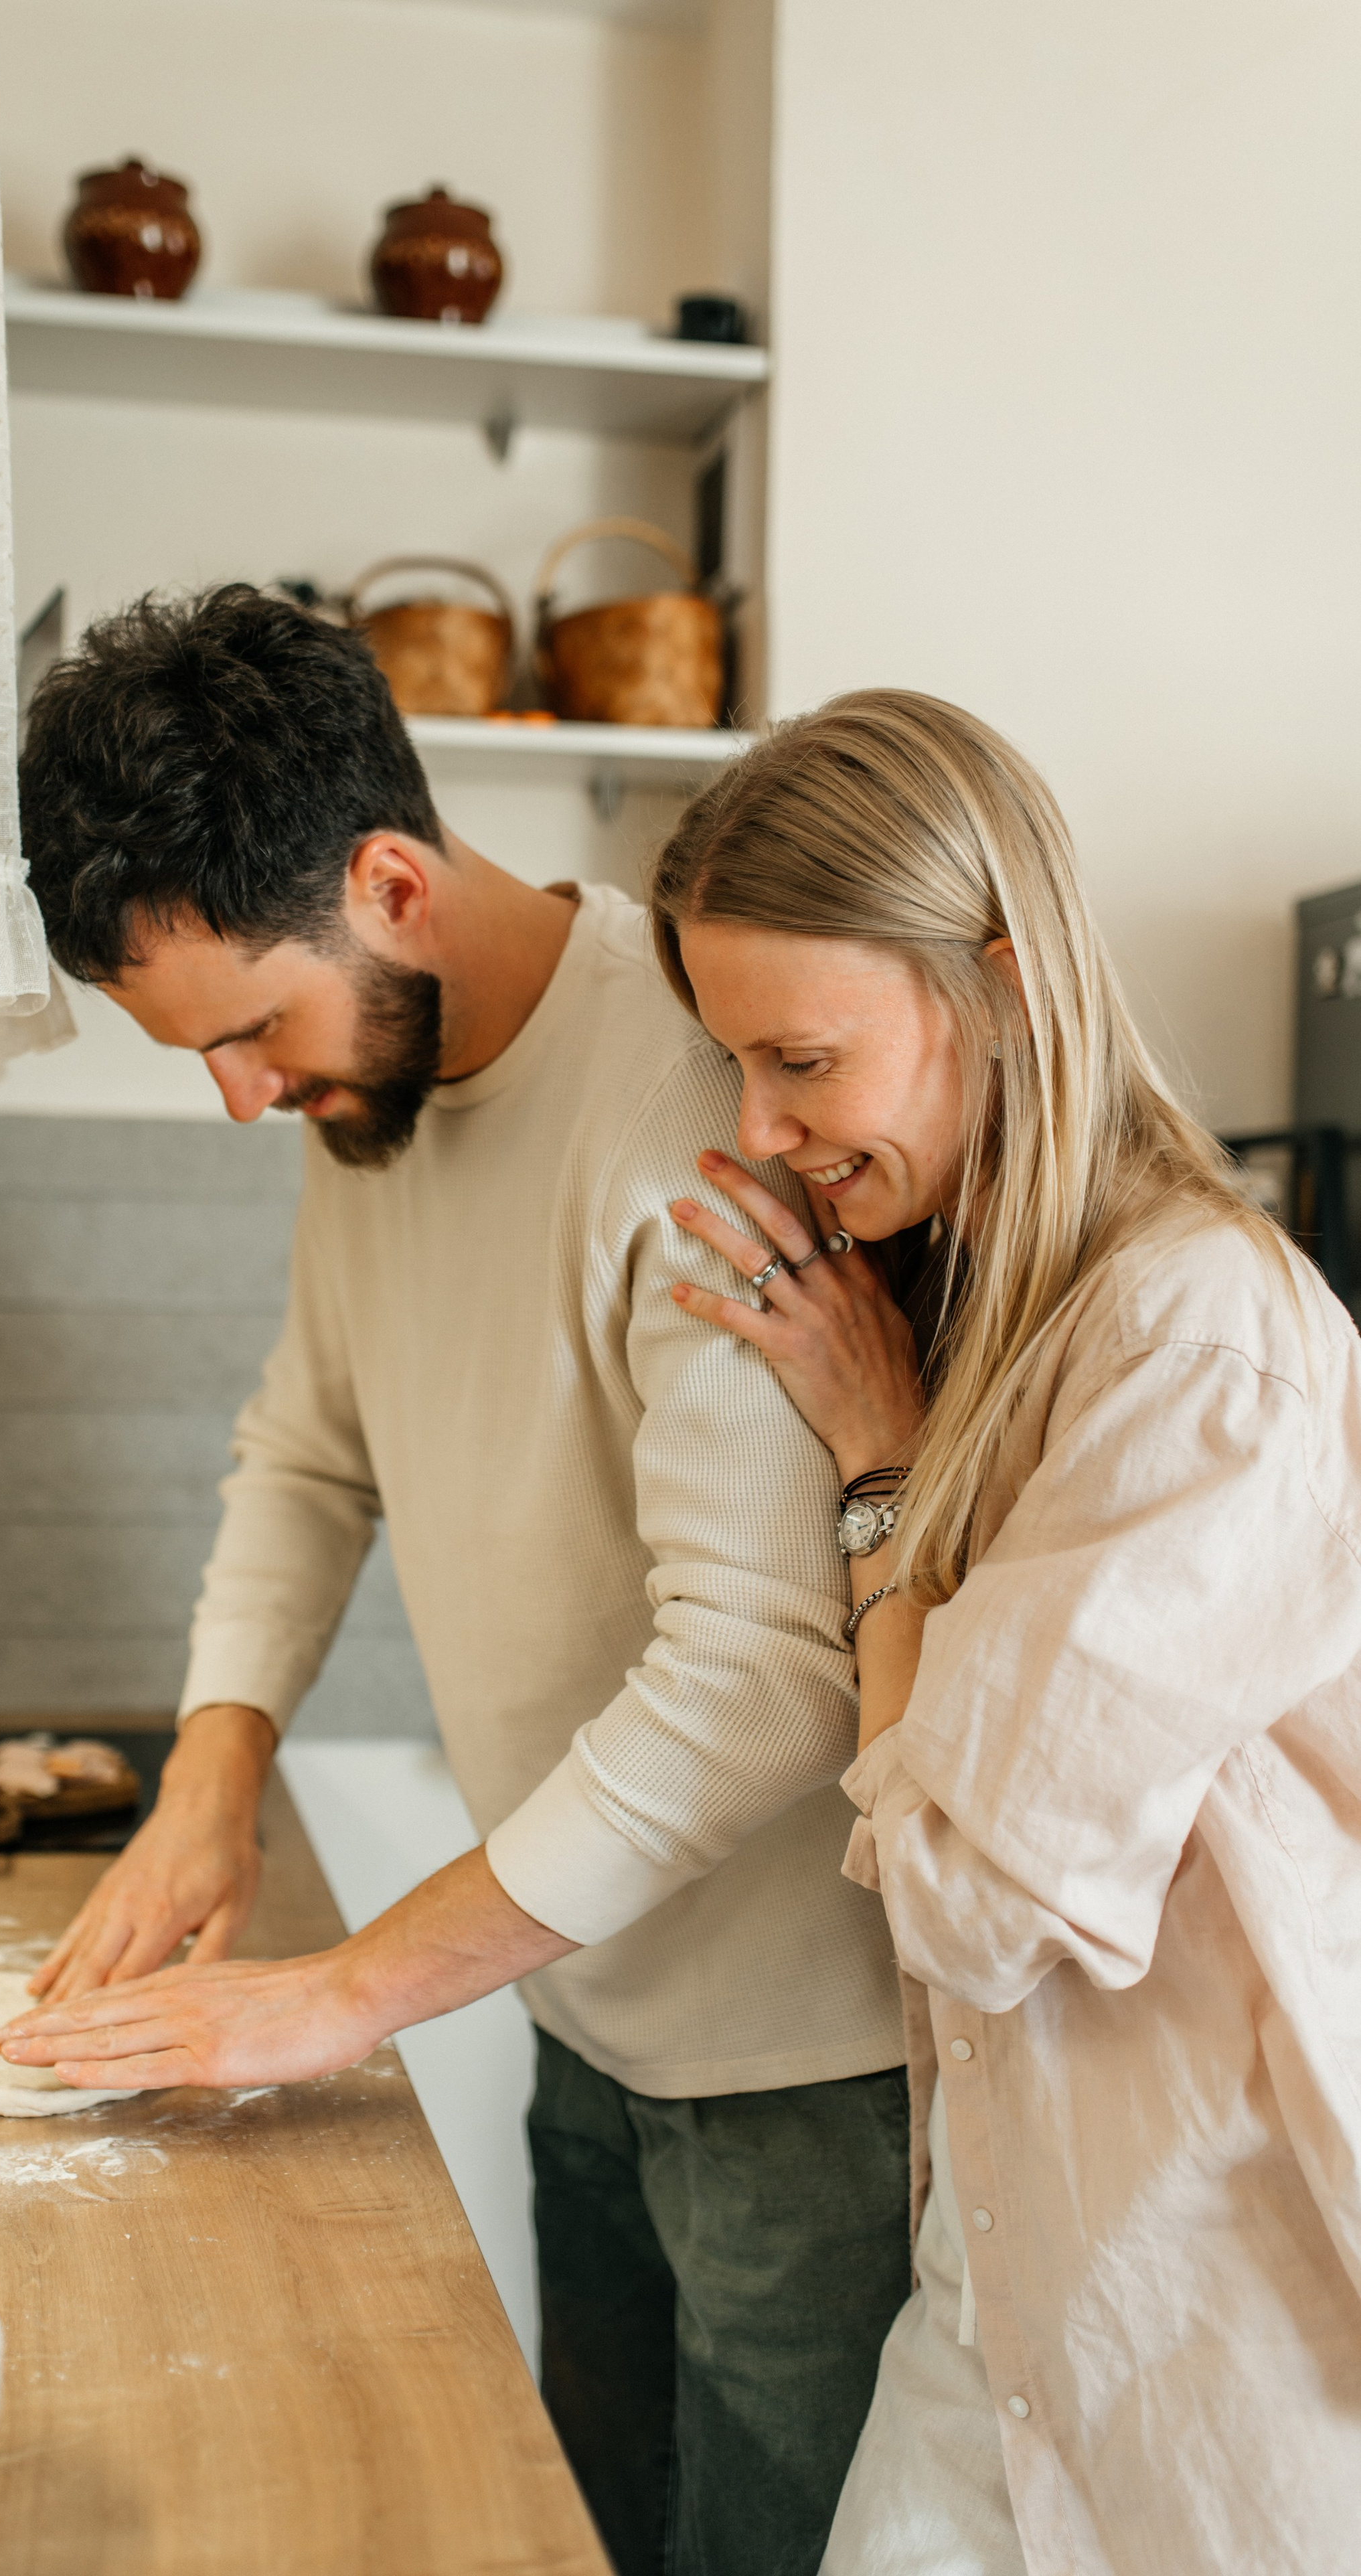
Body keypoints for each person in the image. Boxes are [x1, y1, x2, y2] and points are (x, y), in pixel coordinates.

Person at [0, 586, 911, 2576]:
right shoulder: (374, 1095)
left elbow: (764, 1673)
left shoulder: (695, 1110)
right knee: (588, 2532)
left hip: (807, 2081)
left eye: (251, 1030)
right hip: (584, 2009)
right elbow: (308, 1451)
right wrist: (210, 1782)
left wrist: (338, 1995)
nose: (241, 1099)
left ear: (391, 879)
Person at [647, 686, 1361, 2575]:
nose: (764, 1128)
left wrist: (882, 1474)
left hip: (1221, 2283)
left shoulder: (1198, 1345)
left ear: (1005, 985)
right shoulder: (1009, 1298)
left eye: (802, 1059)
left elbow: (969, 1896)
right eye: (734, 1066)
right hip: (1025, 2239)